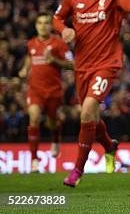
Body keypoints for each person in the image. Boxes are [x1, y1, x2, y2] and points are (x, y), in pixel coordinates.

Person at [53, 0, 130, 187]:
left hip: (107, 64)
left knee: (88, 109)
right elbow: (57, 18)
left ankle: (77, 171)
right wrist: (63, 30)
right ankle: (110, 146)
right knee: (91, 116)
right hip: (82, 66)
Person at [18, 13, 73, 172]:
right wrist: (24, 69)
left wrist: (54, 61)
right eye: (40, 22)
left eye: (46, 23)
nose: (43, 26)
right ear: (36, 25)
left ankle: (56, 139)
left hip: (53, 91)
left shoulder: (59, 44)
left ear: (51, 26)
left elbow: (72, 65)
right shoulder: (31, 44)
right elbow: (30, 57)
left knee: (52, 122)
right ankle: (34, 160)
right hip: (35, 90)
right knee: (33, 119)